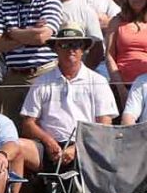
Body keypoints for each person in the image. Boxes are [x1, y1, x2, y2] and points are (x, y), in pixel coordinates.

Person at [21, 25, 116, 171]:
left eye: (76, 45)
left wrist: (77, 148)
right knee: (16, 147)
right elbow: (28, 124)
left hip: (88, 146)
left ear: (83, 49)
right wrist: (48, 141)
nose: (71, 49)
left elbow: (105, 125)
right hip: (47, 147)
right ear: (56, 48)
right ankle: (17, 187)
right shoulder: (41, 81)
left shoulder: (98, 81)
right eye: (65, 44)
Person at [0, 0, 66, 124]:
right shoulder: (5, 5)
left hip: (43, 73)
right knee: (13, 127)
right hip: (13, 76)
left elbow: (42, 36)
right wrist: (30, 33)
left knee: (44, 125)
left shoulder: (51, 0)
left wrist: (12, 32)